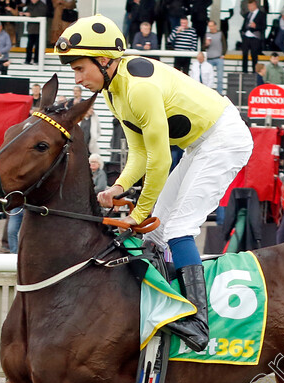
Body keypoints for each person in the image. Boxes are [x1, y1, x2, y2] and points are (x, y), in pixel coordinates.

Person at [57, 14, 253, 352]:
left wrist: (140, 211)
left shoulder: (138, 87)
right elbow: (139, 154)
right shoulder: (113, 93)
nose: (78, 79)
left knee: (178, 229)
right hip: (199, 144)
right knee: (155, 233)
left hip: (223, 138)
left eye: (79, 69)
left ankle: (197, 320)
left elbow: (160, 161)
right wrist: (118, 187)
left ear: (104, 60)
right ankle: (166, 305)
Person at [241, 0, 265, 74]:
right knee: (244, 54)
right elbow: (244, 24)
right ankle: (244, 71)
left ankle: (254, 71)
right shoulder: (248, 14)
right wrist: (243, 32)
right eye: (248, 6)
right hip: (246, 36)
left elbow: (264, 26)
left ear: (255, 5)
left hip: (255, 37)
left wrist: (256, 26)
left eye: (250, 6)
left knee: (254, 54)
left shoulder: (261, 14)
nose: (249, 8)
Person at [21, 0, 46, 65]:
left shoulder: (42, 5)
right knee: (29, 46)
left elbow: (42, 13)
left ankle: (36, 60)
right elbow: (25, 12)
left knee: (38, 46)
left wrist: (31, 14)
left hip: (39, 30)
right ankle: (27, 60)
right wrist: (23, 14)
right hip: (31, 29)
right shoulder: (30, 5)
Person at [204, 20, 225, 94]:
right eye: (209, 26)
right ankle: (208, 93)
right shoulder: (207, 34)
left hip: (219, 58)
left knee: (220, 78)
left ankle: (219, 94)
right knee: (208, 77)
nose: (211, 28)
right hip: (209, 59)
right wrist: (206, 44)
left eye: (212, 26)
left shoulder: (220, 33)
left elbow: (224, 44)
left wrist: (223, 54)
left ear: (215, 26)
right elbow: (203, 47)